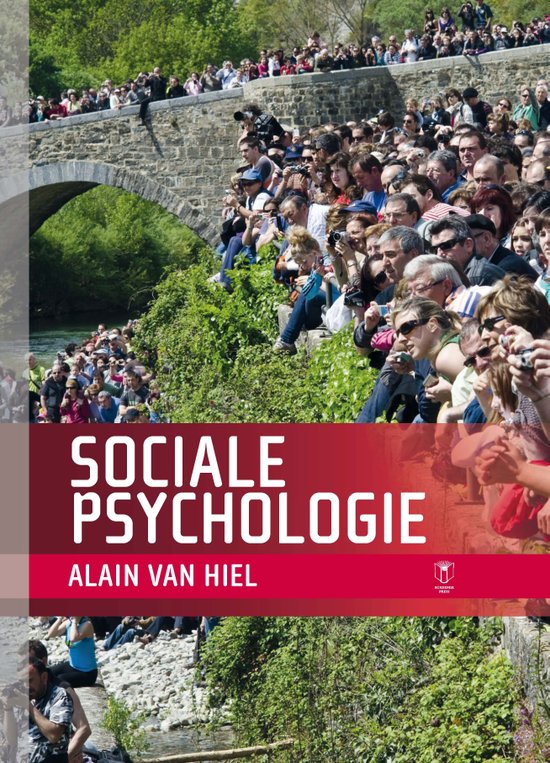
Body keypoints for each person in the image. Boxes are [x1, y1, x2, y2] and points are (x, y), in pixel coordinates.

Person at [28, 658, 73, 763]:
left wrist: (28, 706)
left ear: (44, 677)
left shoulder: (59, 696)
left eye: (30, 681)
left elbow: (54, 735)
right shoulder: (29, 697)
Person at [48, 617, 98, 688]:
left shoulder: (87, 624)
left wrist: (74, 621)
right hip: (72, 666)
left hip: (87, 673)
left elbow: (73, 638)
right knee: (48, 673)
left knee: (60, 679)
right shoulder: (69, 622)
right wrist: (60, 619)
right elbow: (51, 634)